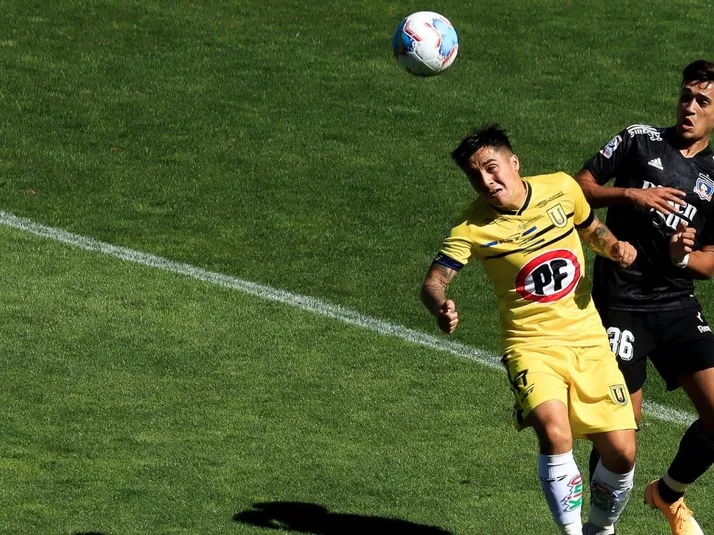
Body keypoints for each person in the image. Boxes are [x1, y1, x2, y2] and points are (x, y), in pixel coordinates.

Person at [420, 125, 638, 535]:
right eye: (474, 175)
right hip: (530, 346)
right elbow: (433, 281)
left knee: (622, 452)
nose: (486, 180)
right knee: (555, 434)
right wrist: (440, 305)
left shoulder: (562, 188)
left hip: (588, 340)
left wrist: (613, 247)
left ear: (514, 162)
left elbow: (592, 230)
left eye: (491, 167)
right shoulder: (471, 227)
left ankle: (600, 528)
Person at [574, 59, 714, 535]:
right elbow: (579, 188)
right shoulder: (640, 139)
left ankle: (667, 495)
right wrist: (630, 196)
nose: (689, 107)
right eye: (685, 96)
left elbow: (710, 262)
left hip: (676, 305)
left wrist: (681, 257)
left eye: (702, 101)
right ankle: (600, 526)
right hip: (622, 305)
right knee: (621, 433)